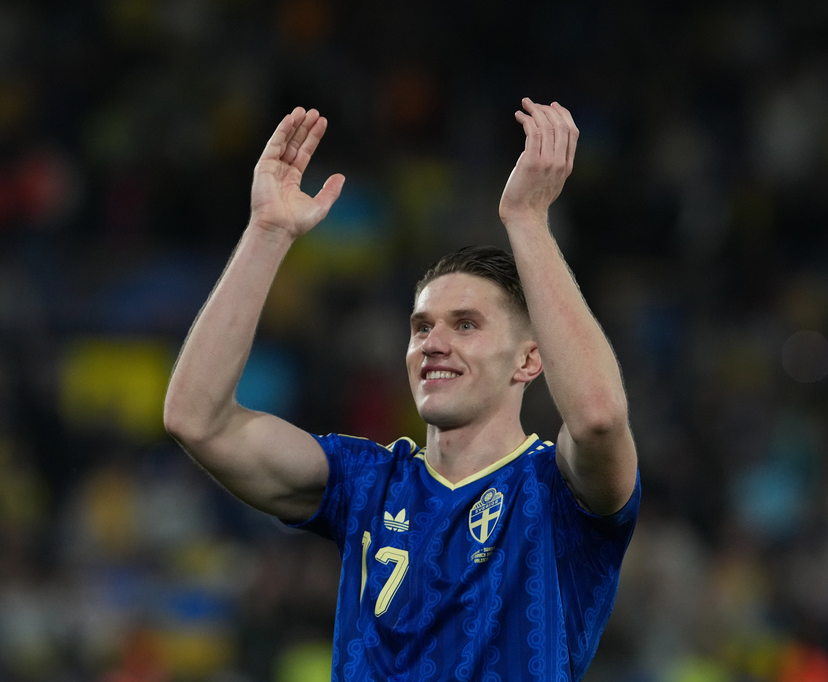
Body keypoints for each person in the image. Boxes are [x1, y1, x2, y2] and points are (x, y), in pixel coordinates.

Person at [163, 98, 640, 681]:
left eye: (466, 325)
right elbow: (197, 420)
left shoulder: (557, 492)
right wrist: (267, 232)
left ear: (528, 360)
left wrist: (527, 220)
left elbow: (597, 416)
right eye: (421, 327)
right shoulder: (367, 483)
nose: (433, 343)